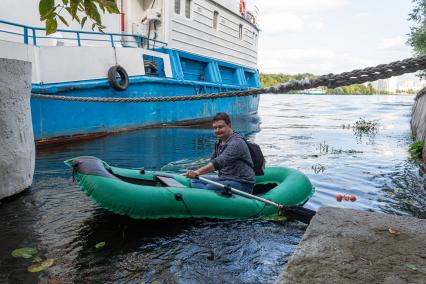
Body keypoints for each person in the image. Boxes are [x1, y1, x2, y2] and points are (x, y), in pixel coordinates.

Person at [186, 112, 256, 194]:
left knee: (211, 187)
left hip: (242, 183)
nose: (217, 130)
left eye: (220, 127)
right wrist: (195, 171)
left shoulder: (236, 142)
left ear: (229, 125)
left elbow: (218, 163)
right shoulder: (219, 142)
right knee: (195, 180)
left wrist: (197, 172)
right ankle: (206, 195)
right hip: (224, 178)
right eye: (215, 128)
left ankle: (206, 194)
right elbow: (212, 161)